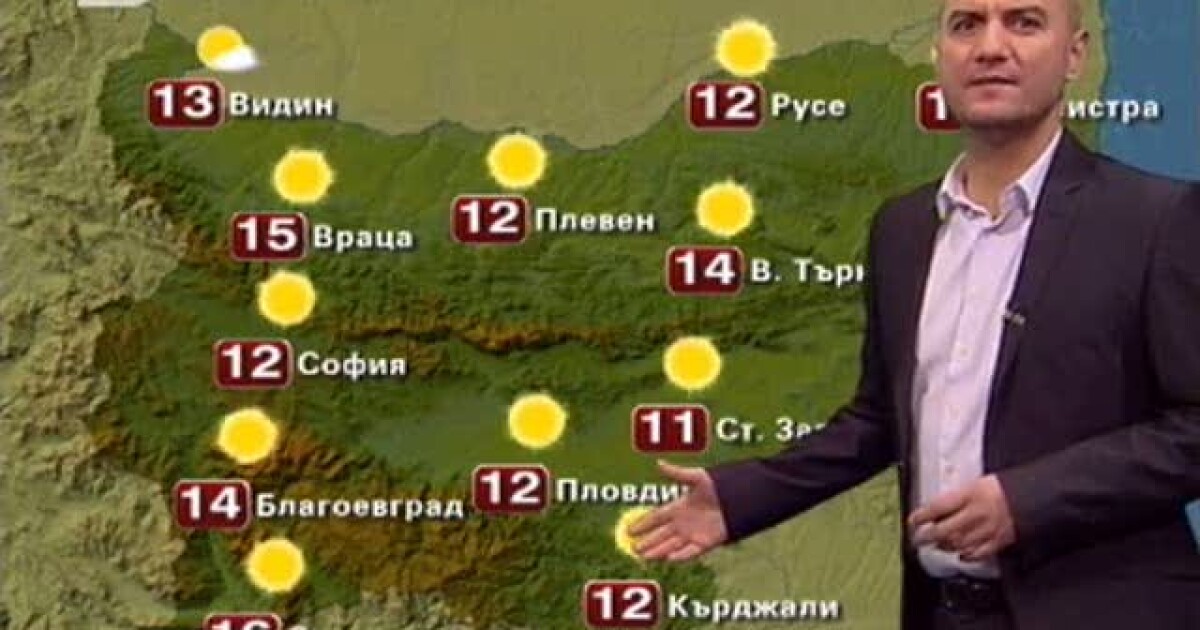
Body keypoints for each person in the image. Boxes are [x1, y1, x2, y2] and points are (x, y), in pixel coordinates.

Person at [629, 1, 1200, 628]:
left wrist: (1026, 502)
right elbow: (879, 419)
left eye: (1024, 22)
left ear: (1075, 54)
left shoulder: (1154, 219)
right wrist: (742, 499)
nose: (990, 47)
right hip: (943, 613)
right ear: (938, 55)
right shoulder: (902, 230)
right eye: (966, 25)